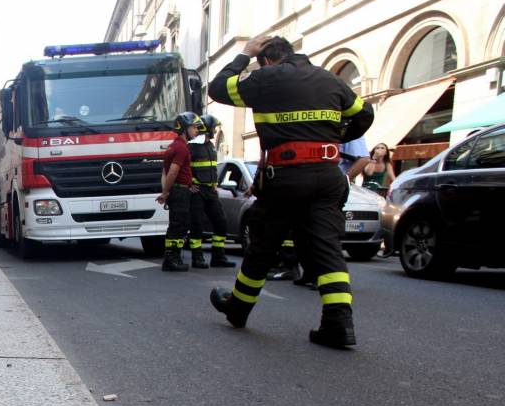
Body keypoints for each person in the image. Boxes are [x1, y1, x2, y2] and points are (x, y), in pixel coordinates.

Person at [206, 35, 374, 348]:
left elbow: (217, 88)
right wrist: (334, 139)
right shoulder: (331, 80)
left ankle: (238, 309)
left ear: (267, 59)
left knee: (263, 247)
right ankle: (339, 323)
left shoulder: (265, 78)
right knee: (327, 250)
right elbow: (365, 114)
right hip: (327, 176)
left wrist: (244, 54)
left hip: (285, 177)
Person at [155, 112, 203, 271]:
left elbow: (164, 172)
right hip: (179, 192)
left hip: (178, 190)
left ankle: (171, 257)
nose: (196, 130)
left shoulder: (172, 146)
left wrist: (166, 190)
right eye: (194, 127)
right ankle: (172, 259)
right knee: (179, 225)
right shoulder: (181, 148)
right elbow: (173, 172)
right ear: (184, 129)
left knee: (177, 224)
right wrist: (166, 192)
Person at [187, 114, 235, 269]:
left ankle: (218, 257)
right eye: (214, 127)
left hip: (211, 191)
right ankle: (197, 257)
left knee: (221, 222)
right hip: (197, 191)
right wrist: (190, 184)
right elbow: (183, 167)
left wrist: (215, 184)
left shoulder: (211, 146)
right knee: (197, 224)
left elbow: (212, 168)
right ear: (207, 128)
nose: (215, 130)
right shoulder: (192, 146)